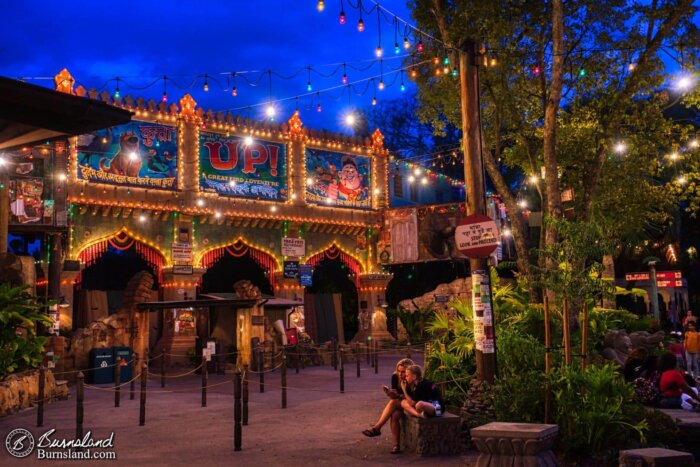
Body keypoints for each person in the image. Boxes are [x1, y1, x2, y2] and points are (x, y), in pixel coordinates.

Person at [362, 358, 414, 454]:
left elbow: (412, 398)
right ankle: (396, 446)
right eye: (399, 371)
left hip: (412, 404)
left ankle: (377, 428)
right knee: (394, 415)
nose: (400, 374)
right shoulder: (395, 377)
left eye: (403, 372)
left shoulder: (412, 378)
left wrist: (398, 395)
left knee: (394, 403)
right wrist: (390, 393)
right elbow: (396, 395)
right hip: (400, 402)